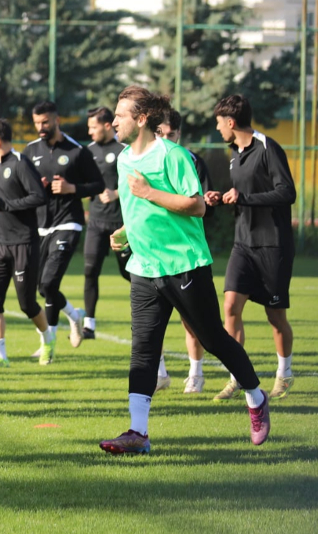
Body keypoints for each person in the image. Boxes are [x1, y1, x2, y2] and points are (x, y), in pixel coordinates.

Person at [99, 86, 268, 455]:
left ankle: (255, 397)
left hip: (184, 264)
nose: (113, 121)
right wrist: (125, 233)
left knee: (213, 339)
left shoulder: (173, 156)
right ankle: (137, 433)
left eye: (120, 115)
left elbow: (196, 207)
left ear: (141, 119)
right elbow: (138, 211)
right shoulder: (124, 159)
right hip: (143, 267)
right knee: (143, 350)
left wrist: (149, 193)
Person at [205, 94, 297, 401]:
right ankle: (238, 377)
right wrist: (223, 197)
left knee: (276, 317)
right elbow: (242, 193)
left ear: (231, 122)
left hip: (273, 244)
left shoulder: (268, 148)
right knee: (230, 307)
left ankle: (284, 374)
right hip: (243, 243)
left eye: (219, 123)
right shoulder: (235, 152)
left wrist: (243, 197)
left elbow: (286, 193)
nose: (218, 129)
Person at [0, 119, 51, 368]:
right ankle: (0, 356)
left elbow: (39, 196)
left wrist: (7, 205)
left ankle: (48, 340)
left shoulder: (20, 163)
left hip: (23, 243)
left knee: (27, 304)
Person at [22, 101, 104, 352]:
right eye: (37, 123)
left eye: (45, 122)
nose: (41, 127)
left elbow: (98, 185)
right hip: (39, 226)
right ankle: (74, 315)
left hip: (68, 223)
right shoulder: (30, 150)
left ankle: (48, 342)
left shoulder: (77, 151)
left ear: (57, 120)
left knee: (48, 284)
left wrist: (72, 189)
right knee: (41, 287)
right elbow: (23, 185)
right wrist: (39, 185)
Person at [154, 108, 213, 394]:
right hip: (154, 252)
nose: (166, 139)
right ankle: (160, 372)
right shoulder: (148, 159)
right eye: (161, 134)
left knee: (191, 319)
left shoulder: (190, 160)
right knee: (151, 319)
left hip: (184, 252)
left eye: (171, 135)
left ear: (179, 134)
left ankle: (196, 373)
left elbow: (201, 205)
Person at [82, 106, 131, 340]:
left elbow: (137, 181)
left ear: (107, 125)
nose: (90, 131)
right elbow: (81, 184)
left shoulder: (125, 150)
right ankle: (88, 324)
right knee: (90, 270)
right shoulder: (87, 151)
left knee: (128, 273)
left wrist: (116, 193)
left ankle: (150, 309)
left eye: (94, 127)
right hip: (96, 222)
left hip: (121, 223)